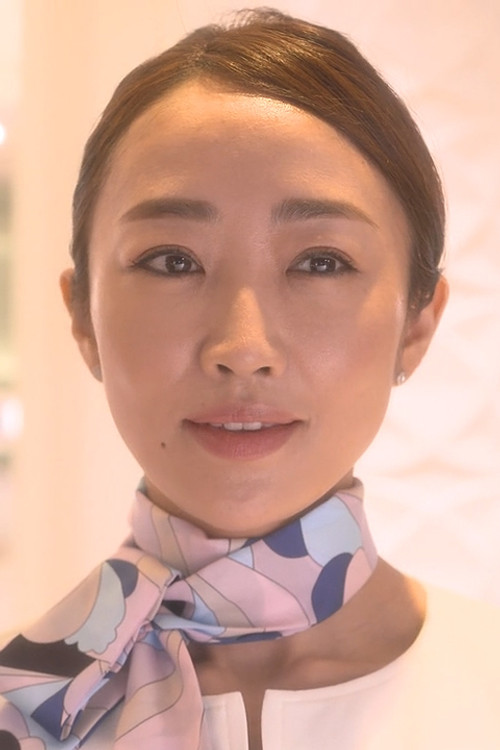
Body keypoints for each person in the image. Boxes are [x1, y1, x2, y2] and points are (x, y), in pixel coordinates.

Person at [0, 8, 499, 749]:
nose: (242, 348)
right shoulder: (21, 706)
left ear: (417, 324)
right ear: (83, 318)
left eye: (320, 262)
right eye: (172, 260)